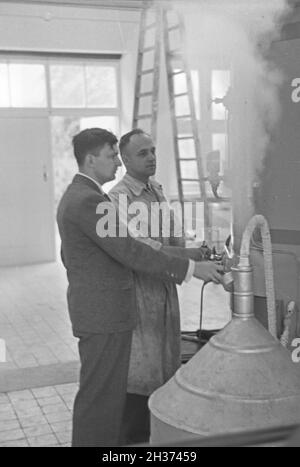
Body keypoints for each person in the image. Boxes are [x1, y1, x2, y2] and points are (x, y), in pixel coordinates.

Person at [57, 128, 223, 447]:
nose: (118, 163)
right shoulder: (90, 200)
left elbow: (71, 255)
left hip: (102, 313)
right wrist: (191, 267)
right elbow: (131, 249)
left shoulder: (82, 196)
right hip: (104, 316)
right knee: (100, 403)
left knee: (102, 399)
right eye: (112, 156)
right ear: (91, 160)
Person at [109, 129, 208, 444]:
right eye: (142, 153)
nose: (151, 157)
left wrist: (196, 247)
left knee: (165, 357)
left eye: (152, 150)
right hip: (138, 291)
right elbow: (143, 249)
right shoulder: (117, 198)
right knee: (141, 364)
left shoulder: (156, 190)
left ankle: (159, 431)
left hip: (164, 287)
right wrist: (191, 258)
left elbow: (172, 236)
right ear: (124, 159)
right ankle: (132, 438)